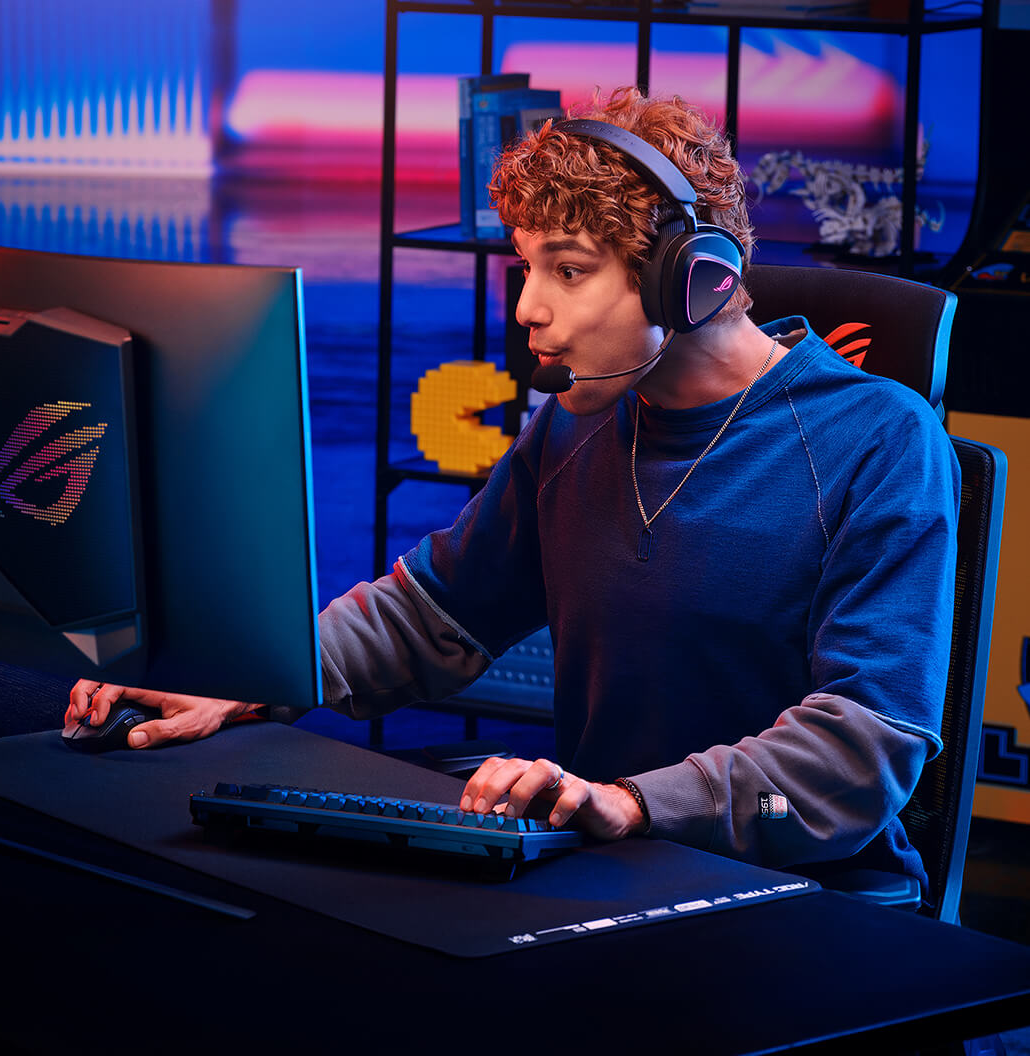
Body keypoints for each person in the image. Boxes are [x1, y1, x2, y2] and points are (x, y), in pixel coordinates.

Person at [65, 87, 959, 889]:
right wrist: (248, 679)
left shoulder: (879, 440)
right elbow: (429, 616)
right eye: (526, 268)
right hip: (610, 869)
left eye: (568, 271)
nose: (529, 306)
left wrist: (634, 803)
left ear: (693, 279)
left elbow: (864, 743)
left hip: (809, 901)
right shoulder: (576, 424)